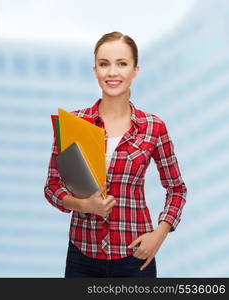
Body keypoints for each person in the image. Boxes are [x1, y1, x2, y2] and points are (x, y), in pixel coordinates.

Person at [44, 31, 187, 278]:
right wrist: (83, 205)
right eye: (104, 64)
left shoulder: (154, 127)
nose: (112, 72)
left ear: (135, 70)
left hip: (135, 258)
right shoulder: (73, 123)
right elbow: (52, 187)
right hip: (82, 255)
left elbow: (177, 190)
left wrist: (159, 235)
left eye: (122, 64)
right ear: (95, 70)